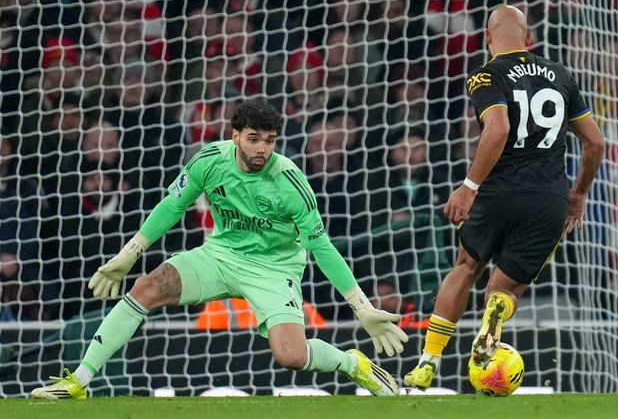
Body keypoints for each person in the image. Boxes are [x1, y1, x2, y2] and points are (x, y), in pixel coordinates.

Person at [31, 98, 408, 399]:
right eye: (254, 138)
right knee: (145, 288)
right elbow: (172, 206)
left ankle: (351, 363)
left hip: (273, 268)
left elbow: (322, 249)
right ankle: (78, 380)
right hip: (220, 255)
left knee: (291, 356)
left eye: (270, 140)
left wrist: (362, 307)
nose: (262, 149)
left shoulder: (291, 182)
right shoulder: (210, 161)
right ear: (235, 135)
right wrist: (128, 255)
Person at [404, 5, 604, 389]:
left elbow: (497, 129)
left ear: (488, 37)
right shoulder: (561, 75)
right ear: (528, 39)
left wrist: (469, 186)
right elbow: (595, 142)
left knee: (466, 267)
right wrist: (579, 195)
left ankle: (428, 361)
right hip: (549, 198)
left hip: (498, 192)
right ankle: (496, 311)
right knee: (504, 289)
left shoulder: (487, 74)